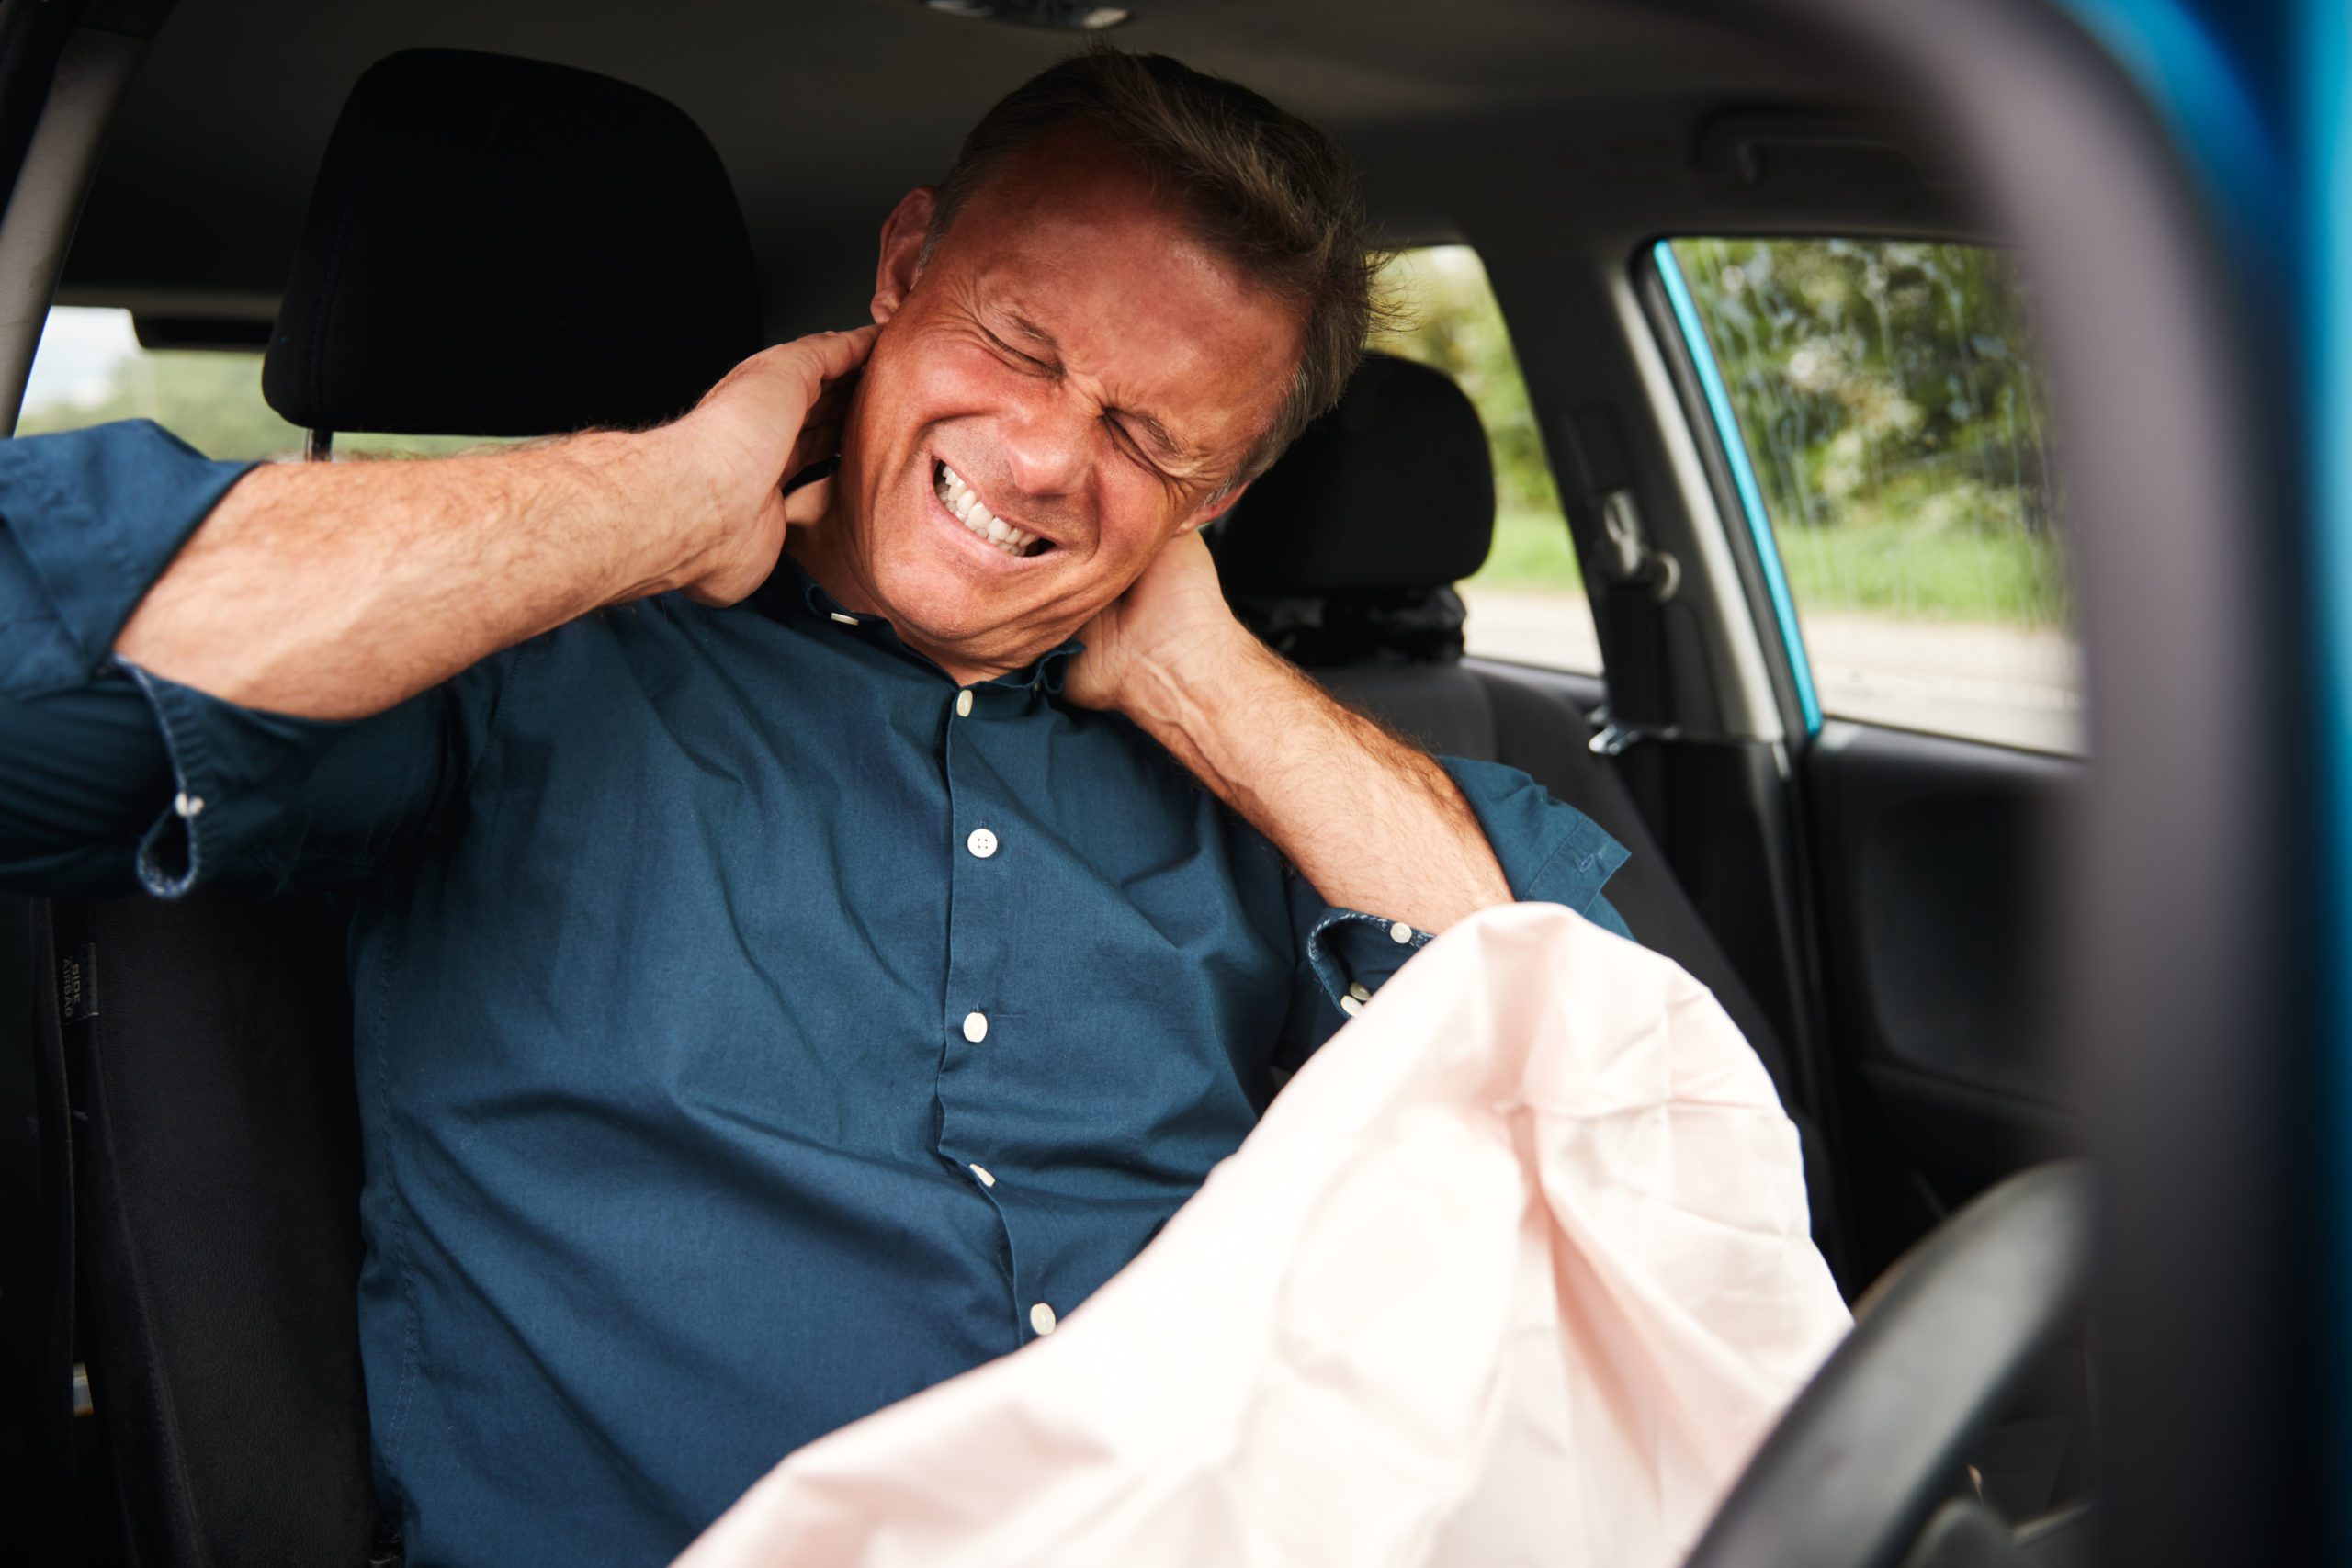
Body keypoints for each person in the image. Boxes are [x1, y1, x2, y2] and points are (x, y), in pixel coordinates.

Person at [0, 49, 1632, 1567]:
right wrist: (654, 497)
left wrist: (1208, 675)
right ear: (903, 272)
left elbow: (1633, 1121)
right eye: (1019, 344)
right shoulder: (519, 676)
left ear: (1225, 495)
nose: (1049, 457)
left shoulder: (1283, 782)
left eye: (1146, 436)